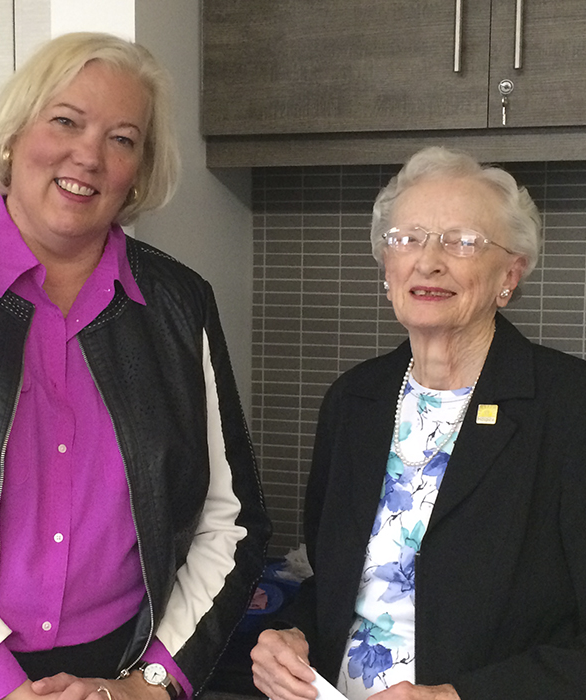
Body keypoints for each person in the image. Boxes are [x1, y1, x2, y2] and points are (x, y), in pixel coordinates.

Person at [0, 32, 269, 700]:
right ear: (13, 135)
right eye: (66, 121)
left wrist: (149, 683)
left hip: (115, 681)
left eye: (122, 139)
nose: (88, 155)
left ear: (139, 173)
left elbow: (229, 520)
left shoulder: (179, 303)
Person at [250, 146, 586, 700]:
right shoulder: (354, 401)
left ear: (510, 273)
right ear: (387, 264)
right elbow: (334, 588)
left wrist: (458, 697)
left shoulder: (570, 409)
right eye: (408, 238)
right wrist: (291, 637)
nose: (428, 261)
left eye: (462, 241)